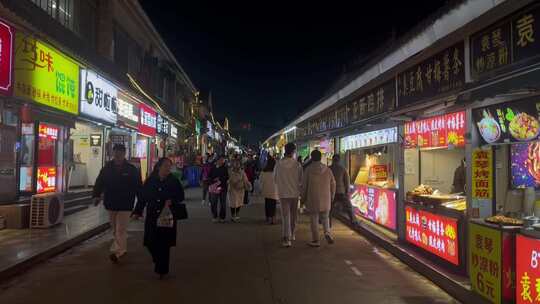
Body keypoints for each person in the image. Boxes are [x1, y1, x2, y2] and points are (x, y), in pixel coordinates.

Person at [132, 157, 184, 279]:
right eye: (165, 166)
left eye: (169, 166)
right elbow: (142, 197)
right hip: (152, 215)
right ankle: (158, 259)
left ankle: (162, 269)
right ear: (159, 167)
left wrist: (172, 200)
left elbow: (181, 196)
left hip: (167, 214)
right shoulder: (151, 180)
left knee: (164, 244)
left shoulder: (173, 180)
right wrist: (138, 211)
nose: (168, 168)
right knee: (150, 241)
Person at [93, 144, 142, 263]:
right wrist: (96, 195)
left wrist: (139, 207)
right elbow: (99, 182)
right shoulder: (107, 168)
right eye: (116, 152)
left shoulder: (131, 169)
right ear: (113, 153)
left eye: (120, 153)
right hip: (111, 203)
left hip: (126, 204)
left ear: (124, 154)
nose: (118, 155)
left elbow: (138, 188)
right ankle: (122, 248)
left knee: (120, 228)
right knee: (115, 228)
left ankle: (117, 251)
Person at [302, 150, 336, 247]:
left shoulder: (308, 170)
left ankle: (316, 240)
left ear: (311, 158)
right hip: (326, 198)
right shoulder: (328, 170)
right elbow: (333, 184)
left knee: (314, 220)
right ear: (321, 158)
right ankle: (327, 233)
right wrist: (332, 196)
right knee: (325, 218)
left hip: (313, 199)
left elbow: (304, 186)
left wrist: (303, 199)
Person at [274, 142, 303, 247]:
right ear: (293, 151)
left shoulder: (279, 164)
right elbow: (301, 180)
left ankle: (286, 238)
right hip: (295, 193)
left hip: (283, 193)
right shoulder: (297, 165)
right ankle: (292, 233)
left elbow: (275, 178)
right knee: (294, 215)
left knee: (285, 216)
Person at [329, 154, 357, 227]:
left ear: (333, 160)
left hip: (331, 192)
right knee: (349, 207)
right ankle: (354, 222)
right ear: (339, 160)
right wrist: (347, 192)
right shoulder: (343, 169)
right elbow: (347, 182)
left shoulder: (329, 169)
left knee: (329, 209)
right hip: (341, 192)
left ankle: (328, 224)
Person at [209, 155, 229, 223]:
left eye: (222, 160)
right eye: (220, 160)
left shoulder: (224, 168)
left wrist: (220, 179)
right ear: (217, 160)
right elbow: (209, 176)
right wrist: (213, 180)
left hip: (223, 187)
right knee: (213, 202)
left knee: (223, 203)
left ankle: (222, 217)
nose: (222, 161)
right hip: (214, 187)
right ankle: (215, 216)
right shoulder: (213, 167)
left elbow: (227, 177)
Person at [261, 157, 279, 224]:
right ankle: (273, 218)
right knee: (273, 204)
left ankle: (268, 217)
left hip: (266, 190)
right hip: (274, 190)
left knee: (267, 203)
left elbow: (261, 181)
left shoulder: (264, 172)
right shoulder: (276, 171)